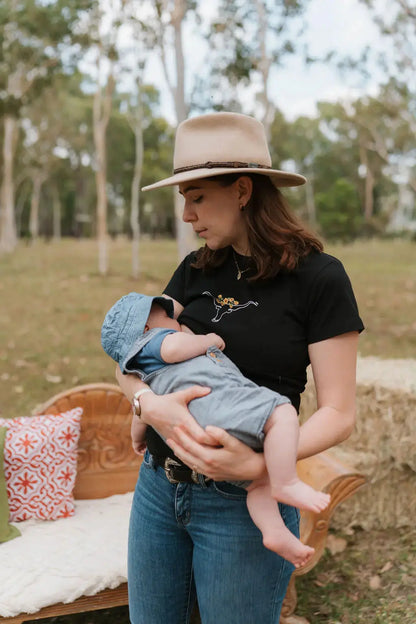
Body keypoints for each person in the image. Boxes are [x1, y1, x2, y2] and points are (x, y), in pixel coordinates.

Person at [114, 111, 364, 624]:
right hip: (159, 491)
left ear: (244, 190)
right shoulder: (196, 267)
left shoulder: (319, 278)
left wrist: (257, 468)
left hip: (244, 505)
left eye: (198, 196)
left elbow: (339, 412)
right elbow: (133, 358)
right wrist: (148, 405)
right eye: (184, 199)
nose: (187, 215)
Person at [101, 292, 331, 567]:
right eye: (168, 317)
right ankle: (288, 482)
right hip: (219, 408)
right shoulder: (156, 342)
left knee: (258, 485)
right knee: (282, 414)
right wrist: (209, 340)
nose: (175, 320)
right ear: (146, 331)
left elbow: (143, 416)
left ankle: (274, 532)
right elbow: (174, 349)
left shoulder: (144, 375)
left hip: (199, 434)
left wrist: (137, 438)